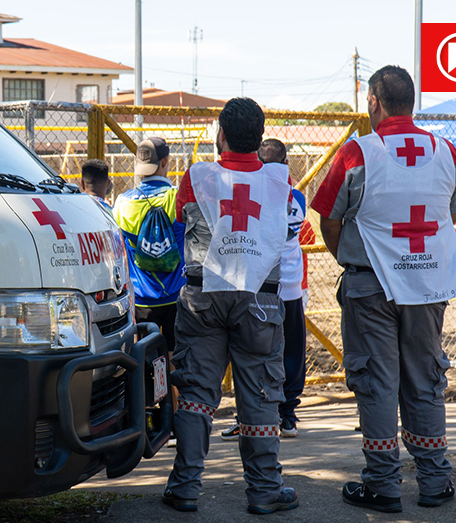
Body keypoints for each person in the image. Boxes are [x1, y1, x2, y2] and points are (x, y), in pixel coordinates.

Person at [311, 65, 456, 513]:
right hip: (427, 286)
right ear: (411, 103)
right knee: (425, 380)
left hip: (370, 286)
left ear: (374, 102)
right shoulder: (448, 153)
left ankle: (382, 485)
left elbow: (328, 216)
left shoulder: (357, 153)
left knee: (378, 383)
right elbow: (451, 214)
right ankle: (435, 481)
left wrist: (351, 260)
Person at [162, 98, 298, 515]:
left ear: (220, 135)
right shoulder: (280, 181)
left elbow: (175, 222)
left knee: (197, 393)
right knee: (259, 394)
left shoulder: (197, 176)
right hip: (259, 299)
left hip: (204, 294)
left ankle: (185, 487)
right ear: (260, 137)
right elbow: (292, 227)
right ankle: (264, 491)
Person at [220, 138, 315, 441]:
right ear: (287, 165)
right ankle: (286, 416)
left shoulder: (251, 193)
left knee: (252, 353)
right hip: (289, 288)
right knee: (291, 353)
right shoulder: (295, 197)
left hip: (258, 288)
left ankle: (250, 416)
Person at [112, 137, 186, 358]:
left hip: (142, 298)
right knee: (176, 355)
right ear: (166, 161)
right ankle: (175, 393)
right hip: (176, 294)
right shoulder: (177, 198)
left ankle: (147, 392)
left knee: (146, 356)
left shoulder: (123, 203)